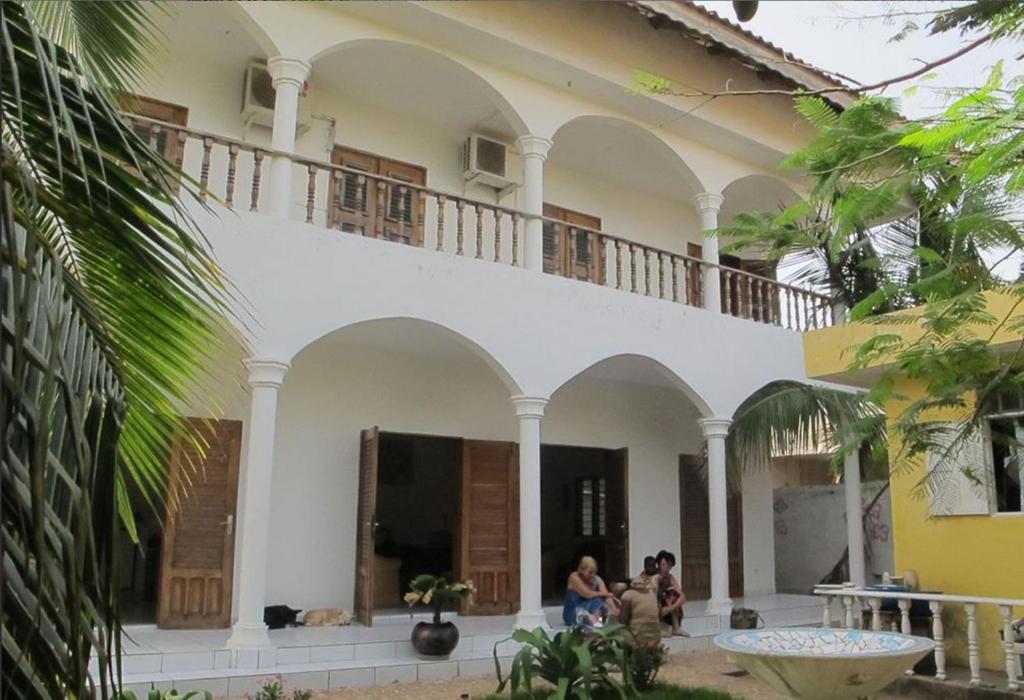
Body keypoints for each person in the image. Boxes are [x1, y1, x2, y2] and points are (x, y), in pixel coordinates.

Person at [562, 555, 620, 627]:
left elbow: (606, 596)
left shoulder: (597, 579)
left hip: (591, 610)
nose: (592, 575)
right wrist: (605, 594)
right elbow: (586, 594)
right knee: (593, 603)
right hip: (574, 611)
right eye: (590, 572)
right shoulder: (574, 577)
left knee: (599, 602)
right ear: (582, 569)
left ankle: (599, 621)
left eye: (594, 572)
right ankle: (594, 621)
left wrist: (614, 608)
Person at [617, 576, 662, 647]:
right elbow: (659, 614)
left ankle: (633, 652)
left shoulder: (628, 594)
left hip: (639, 635)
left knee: (619, 630)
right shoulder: (651, 592)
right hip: (656, 635)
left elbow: (623, 621)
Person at [655, 550, 688, 637]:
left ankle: (676, 628)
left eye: (669, 565)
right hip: (652, 603)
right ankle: (656, 630)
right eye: (664, 564)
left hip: (665, 607)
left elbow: (682, 596)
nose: (666, 568)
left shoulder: (669, 577)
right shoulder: (654, 576)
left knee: (673, 596)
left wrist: (671, 607)